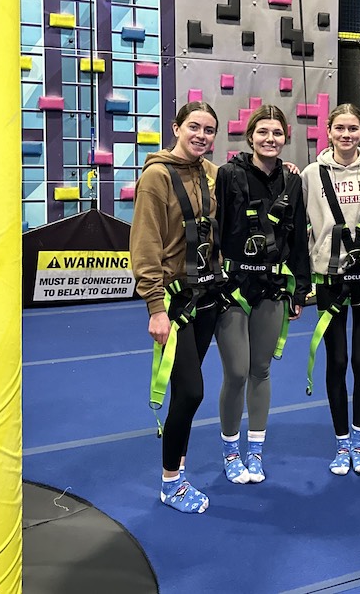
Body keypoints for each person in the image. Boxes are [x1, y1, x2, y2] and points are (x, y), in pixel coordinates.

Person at [131, 101, 223, 514]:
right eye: (194, 127)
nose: (201, 135)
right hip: (174, 299)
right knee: (191, 390)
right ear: (176, 128)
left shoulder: (210, 173)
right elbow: (146, 242)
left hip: (207, 296)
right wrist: (155, 307)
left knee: (186, 393)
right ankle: (170, 482)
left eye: (209, 130)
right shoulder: (156, 176)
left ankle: (180, 467)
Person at [213, 105, 310, 484]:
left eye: (277, 133)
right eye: (263, 132)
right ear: (250, 136)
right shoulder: (228, 174)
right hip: (234, 287)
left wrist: (301, 287)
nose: (270, 139)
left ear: (286, 137)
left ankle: (255, 450)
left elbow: (299, 236)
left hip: (273, 288)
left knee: (261, 369)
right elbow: (216, 229)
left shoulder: (292, 181)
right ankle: (230, 449)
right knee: (236, 372)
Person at [300, 103, 360, 476]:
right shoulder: (311, 174)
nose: (347, 135)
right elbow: (300, 220)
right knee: (336, 360)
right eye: (340, 128)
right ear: (328, 130)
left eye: (353, 128)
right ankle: (340, 443)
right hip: (330, 276)